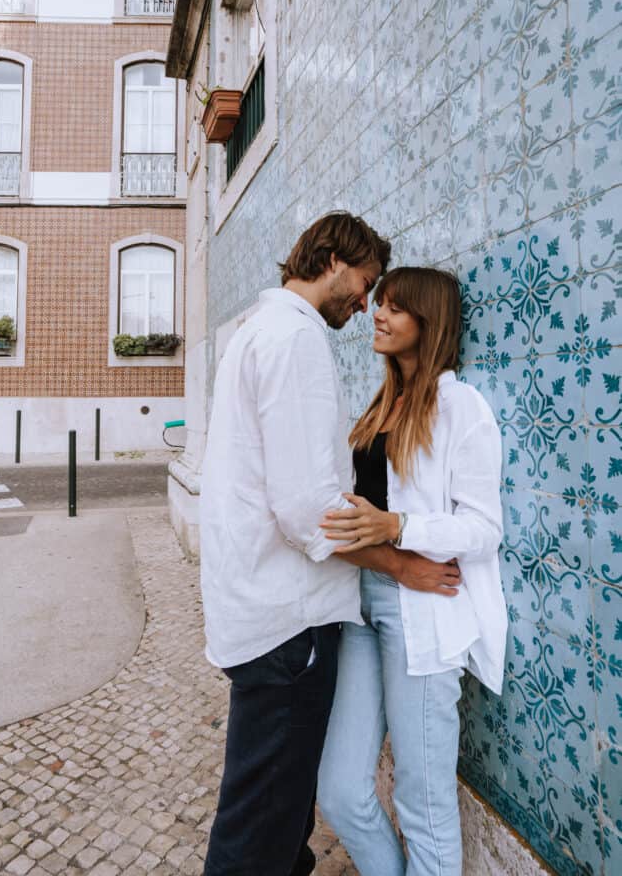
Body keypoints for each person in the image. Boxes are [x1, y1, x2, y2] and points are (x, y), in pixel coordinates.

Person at [200, 216, 464, 876]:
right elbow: (307, 511)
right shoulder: (295, 339)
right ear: (334, 259)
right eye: (368, 283)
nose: (366, 302)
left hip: (266, 611)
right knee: (261, 821)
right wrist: (401, 562)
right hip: (289, 622)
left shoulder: (260, 330)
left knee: (280, 813)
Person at [316, 265, 508, 876]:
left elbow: (483, 528)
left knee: (422, 805)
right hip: (364, 605)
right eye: (382, 303)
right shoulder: (381, 404)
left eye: (396, 308)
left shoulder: (461, 407)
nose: (378, 313)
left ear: (431, 323)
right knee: (342, 789)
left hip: (421, 617)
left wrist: (400, 529)